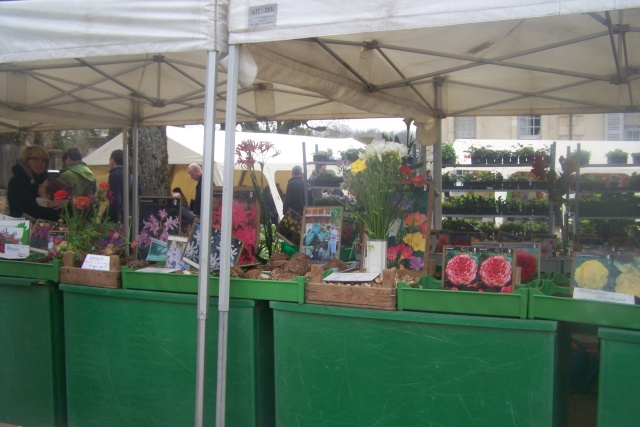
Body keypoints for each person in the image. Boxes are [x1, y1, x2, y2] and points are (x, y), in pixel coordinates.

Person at [8, 146, 64, 221]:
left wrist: (64, 203)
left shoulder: (47, 180)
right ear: (26, 160)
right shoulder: (17, 182)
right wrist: (60, 212)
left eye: (44, 160)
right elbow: (30, 211)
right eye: (35, 159)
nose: (40, 163)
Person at [105, 149, 125, 223]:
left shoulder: (114, 175)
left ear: (112, 161)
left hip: (118, 214)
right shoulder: (131, 174)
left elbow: (116, 197)